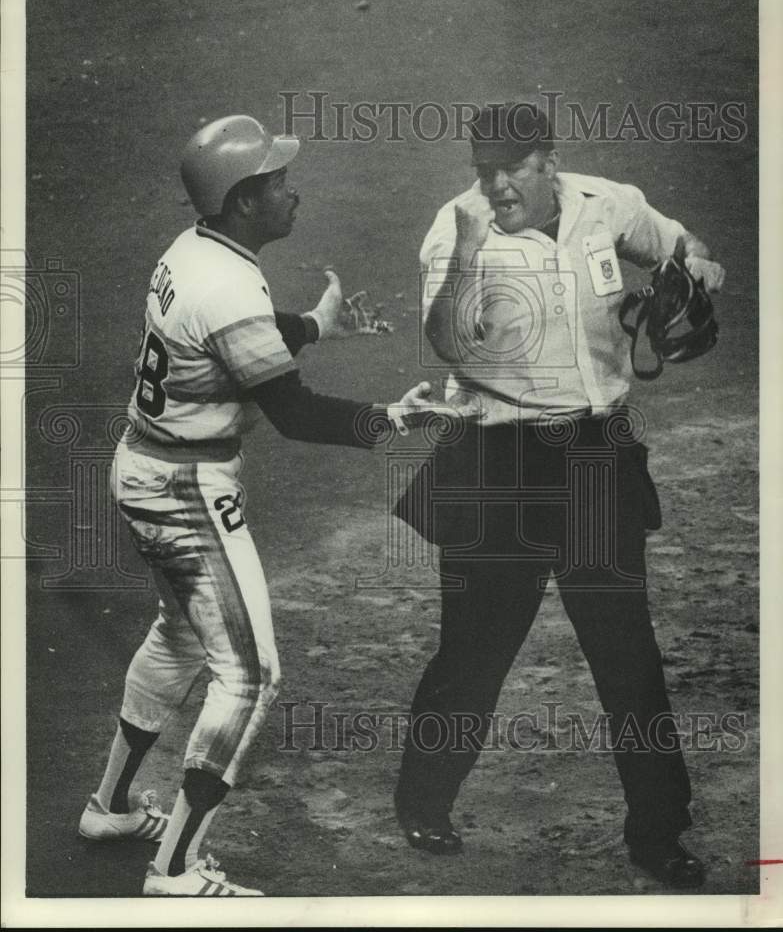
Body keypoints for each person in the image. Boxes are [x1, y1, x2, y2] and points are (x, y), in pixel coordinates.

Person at [77, 114, 472, 896]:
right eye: (279, 183)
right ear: (244, 200)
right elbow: (293, 413)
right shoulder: (226, 286)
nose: (294, 192)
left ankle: (110, 807)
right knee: (252, 677)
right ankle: (177, 869)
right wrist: (400, 422)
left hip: (145, 470)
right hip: (185, 493)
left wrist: (318, 323)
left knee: (181, 640)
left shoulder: (192, 252)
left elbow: (243, 339)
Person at [392, 101, 725, 889]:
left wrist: (699, 265)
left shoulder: (604, 203)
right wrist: (474, 251)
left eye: (512, 167)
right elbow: (447, 340)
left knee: (627, 655)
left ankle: (657, 831)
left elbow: (677, 242)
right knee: (474, 652)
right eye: (485, 169)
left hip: (592, 455)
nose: (497, 183)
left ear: (548, 161)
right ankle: (424, 799)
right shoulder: (455, 228)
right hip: (496, 460)